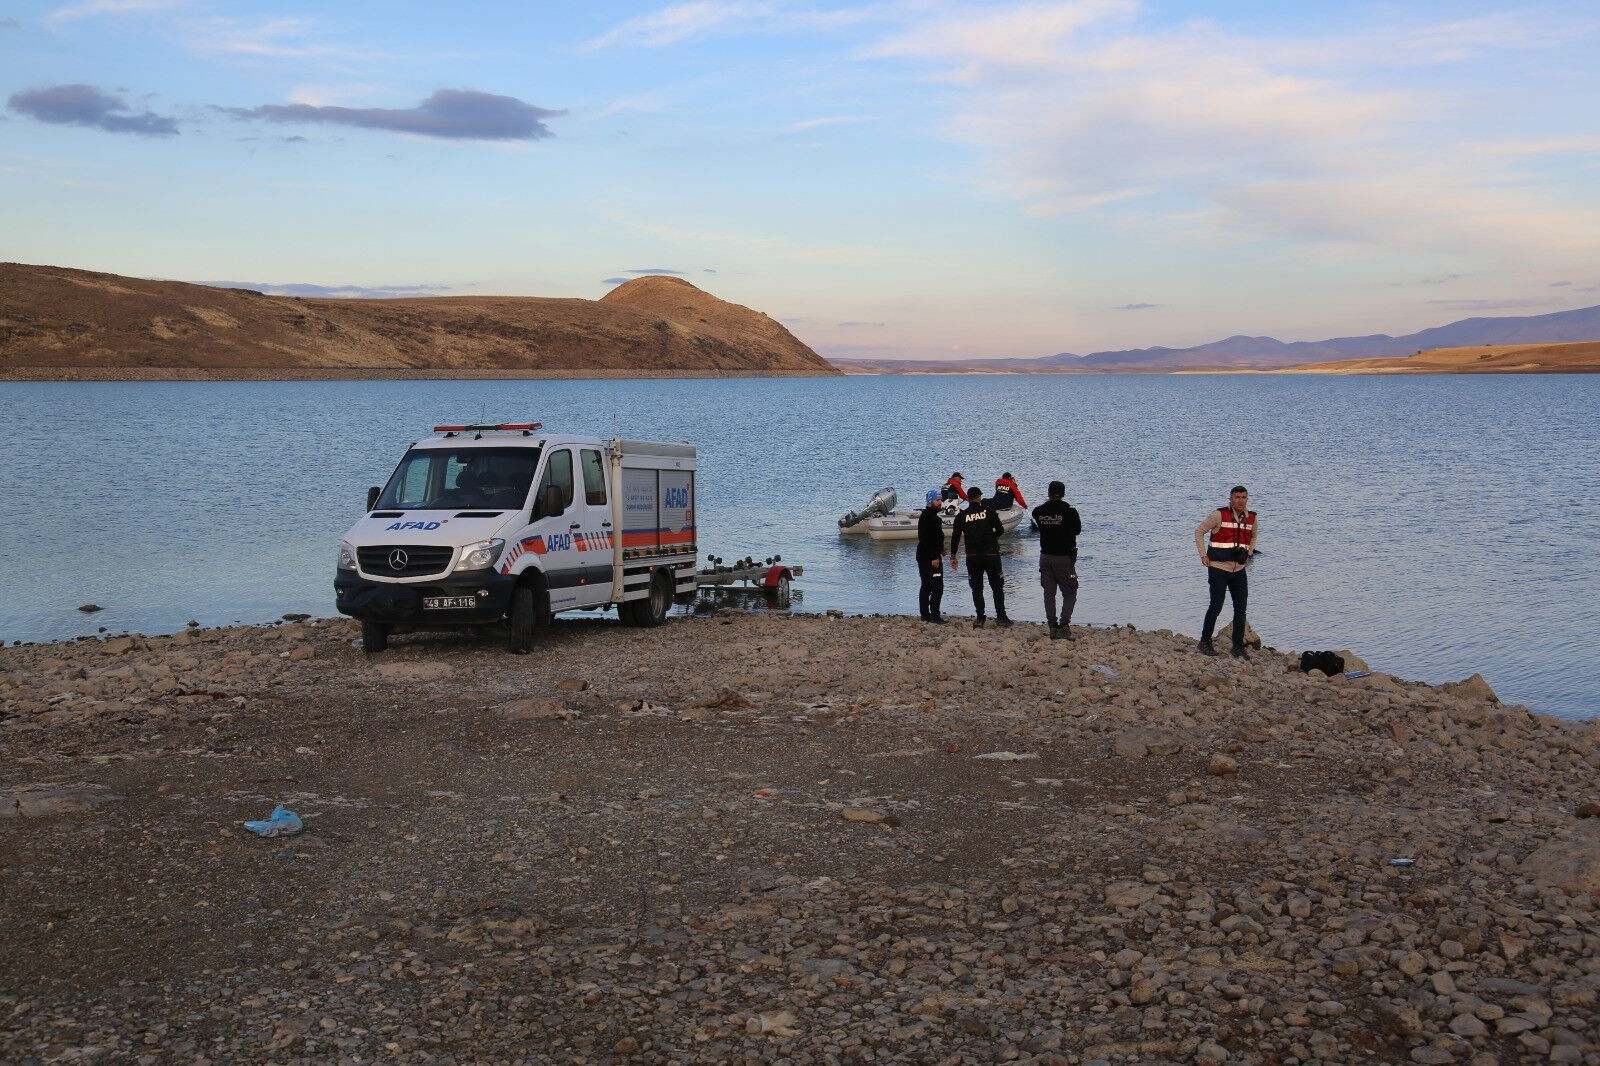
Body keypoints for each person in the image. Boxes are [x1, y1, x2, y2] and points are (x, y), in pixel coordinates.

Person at [1196, 485, 1259, 658]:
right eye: (1237, 497)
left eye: (1243, 497)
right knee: (1216, 606)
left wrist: (1249, 553)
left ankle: (1238, 647)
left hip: (1239, 570)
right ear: (1230, 499)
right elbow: (1199, 532)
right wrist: (1203, 555)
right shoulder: (1219, 515)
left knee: (1241, 609)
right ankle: (1205, 642)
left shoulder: (1252, 518)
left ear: (1247, 499)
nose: (1240, 500)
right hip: (1218, 568)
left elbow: (1253, 536)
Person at [950, 486, 1011, 627]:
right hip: (990, 554)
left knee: (976, 588)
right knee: (997, 586)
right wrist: (990, 538)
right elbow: (1000, 530)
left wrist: (953, 556)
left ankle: (980, 617)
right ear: (979, 497)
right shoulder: (988, 511)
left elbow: (955, 537)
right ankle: (1001, 617)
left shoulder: (962, 516)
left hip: (972, 556)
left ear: (968, 499)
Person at [1031, 481, 1081, 639]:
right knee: (1070, 592)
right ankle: (1064, 626)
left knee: (1049, 593)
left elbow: (1036, 515)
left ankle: (1052, 626)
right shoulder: (1070, 512)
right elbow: (1077, 530)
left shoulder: (1039, 512)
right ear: (1064, 493)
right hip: (1064, 558)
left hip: (1045, 557)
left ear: (1049, 494)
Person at [916, 490, 948, 624]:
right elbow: (926, 539)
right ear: (930, 502)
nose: (940, 503)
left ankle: (925, 615)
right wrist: (935, 557)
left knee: (927, 585)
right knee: (937, 587)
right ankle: (934, 615)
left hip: (925, 555)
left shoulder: (931, 516)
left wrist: (941, 549)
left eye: (941, 500)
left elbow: (935, 538)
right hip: (929, 558)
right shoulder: (930, 518)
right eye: (937, 500)